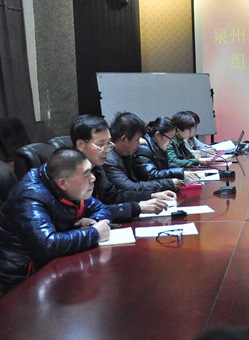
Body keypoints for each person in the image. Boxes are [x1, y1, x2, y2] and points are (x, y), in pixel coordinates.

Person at [0, 149, 111, 291]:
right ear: (62, 183)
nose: (93, 178)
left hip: (54, 263)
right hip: (26, 277)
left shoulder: (64, 183)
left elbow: (101, 208)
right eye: (86, 174)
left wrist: (93, 222)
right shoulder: (30, 197)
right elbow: (48, 244)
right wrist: (94, 233)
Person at [71, 114, 172, 222]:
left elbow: (113, 195)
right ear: (81, 145)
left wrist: (150, 195)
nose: (107, 150)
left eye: (108, 144)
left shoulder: (97, 168)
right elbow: (88, 212)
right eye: (101, 145)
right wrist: (137, 207)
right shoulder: (70, 173)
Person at [104, 112, 185, 192]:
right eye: (137, 139)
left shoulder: (125, 153)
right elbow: (130, 187)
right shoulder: (110, 160)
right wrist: (167, 184)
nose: (139, 143)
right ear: (124, 139)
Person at [133, 117, 200, 183]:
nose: (171, 141)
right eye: (170, 138)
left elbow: (170, 163)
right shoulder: (143, 148)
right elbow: (151, 175)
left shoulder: (160, 146)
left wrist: (182, 172)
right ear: (158, 135)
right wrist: (179, 173)